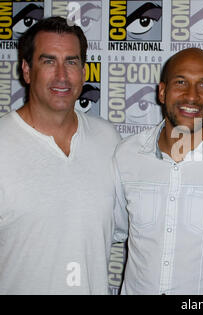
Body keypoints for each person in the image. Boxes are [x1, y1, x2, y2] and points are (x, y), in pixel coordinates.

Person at [0, 17, 122, 294]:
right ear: (27, 70)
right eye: (48, 61)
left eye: (71, 62)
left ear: (83, 71)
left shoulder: (108, 140)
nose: (62, 76)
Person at [113, 48, 203, 294]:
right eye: (181, 82)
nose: (192, 96)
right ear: (162, 91)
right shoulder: (127, 155)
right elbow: (112, 229)